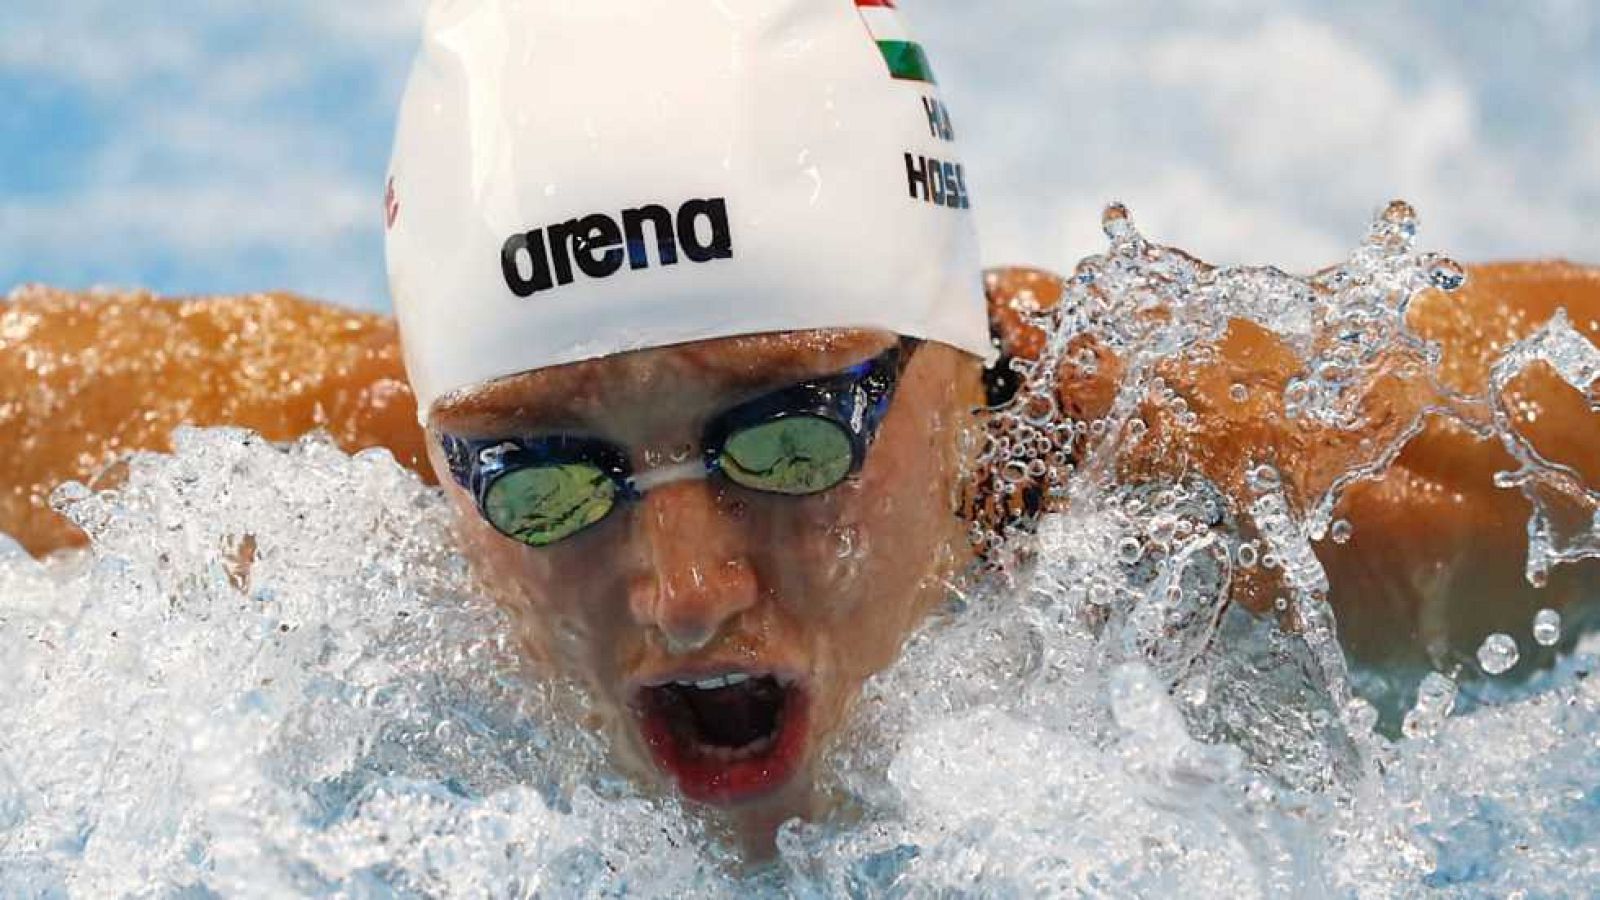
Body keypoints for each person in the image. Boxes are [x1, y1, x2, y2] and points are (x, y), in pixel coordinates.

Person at [1, 0, 1596, 845]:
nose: (686, 588)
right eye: (546, 477)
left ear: (958, 371)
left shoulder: (1328, 480)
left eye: (785, 435)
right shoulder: (265, 486)